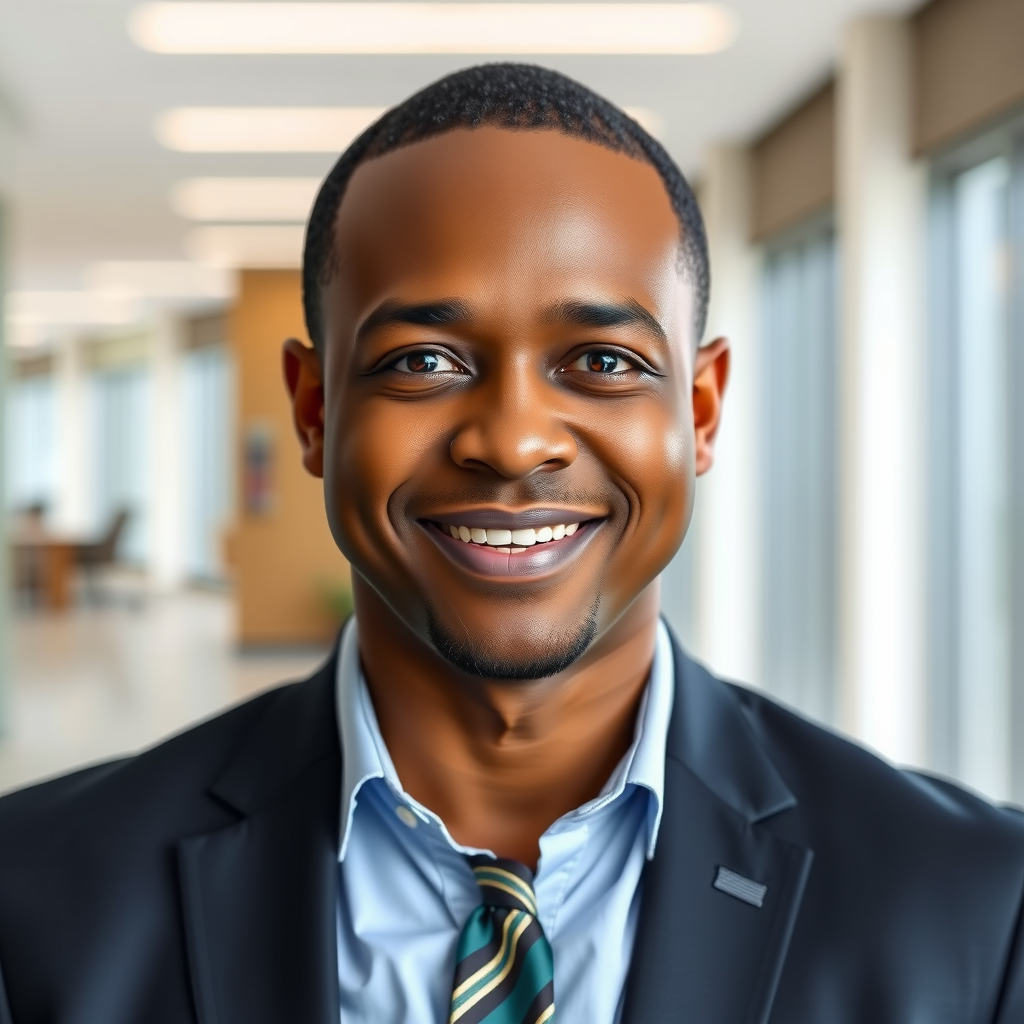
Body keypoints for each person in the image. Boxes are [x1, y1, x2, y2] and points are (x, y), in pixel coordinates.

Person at [0, 63, 1022, 1024]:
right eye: (425, 358)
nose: (512, 440)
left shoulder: (975, 907)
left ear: (701, 410)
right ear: (314, 410)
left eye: (602, 359)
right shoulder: (36, 895)